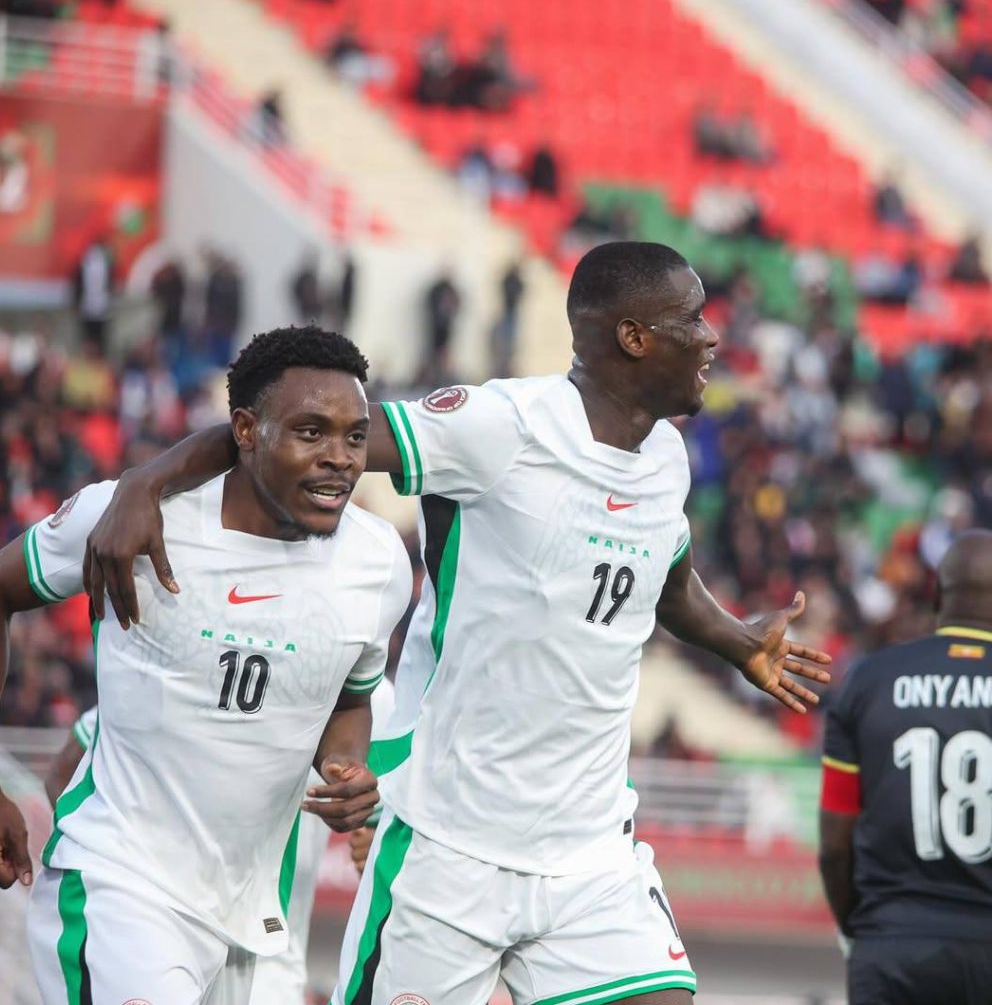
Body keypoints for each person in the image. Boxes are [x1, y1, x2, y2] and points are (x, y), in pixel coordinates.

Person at [80, 242, 832, 1005]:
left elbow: (664, 582)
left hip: (591, 852)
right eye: (693, 319)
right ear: (634, 337)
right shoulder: (501, 426)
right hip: (450, 846)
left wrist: (737, 641)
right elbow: (306, 435)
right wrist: (147, 482)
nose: (711, 337)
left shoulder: (666, 458)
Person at [0, 326, 411, 1003]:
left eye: (355, 436)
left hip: (254, 923)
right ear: (245, 428)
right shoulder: (133, 521)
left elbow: (351, 700)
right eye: (311, 432)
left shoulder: (377, 563)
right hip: (123, 885)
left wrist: (345, 767)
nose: (340, 459)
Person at [44, 675, 399, 1003]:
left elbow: (380, 824)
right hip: (157, 928)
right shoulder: (193, 651)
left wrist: (373, 838)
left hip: (269, 960)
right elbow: (65, 768)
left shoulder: (372, 695)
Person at [819, 529, 992, 1005]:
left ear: (937, 592)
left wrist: (861, 930)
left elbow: (835, 845)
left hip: (893, 944)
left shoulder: (870, 680)